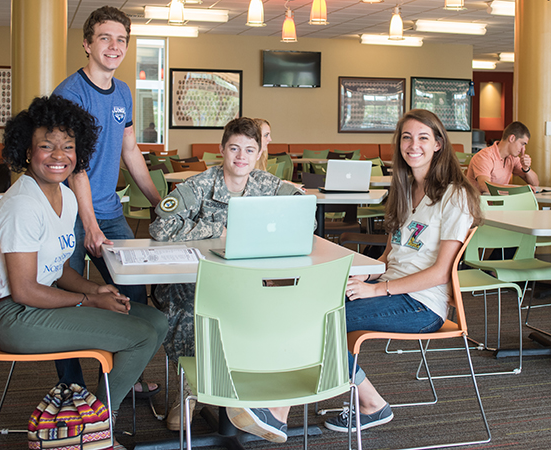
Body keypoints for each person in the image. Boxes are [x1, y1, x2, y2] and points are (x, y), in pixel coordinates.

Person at [0, 96, 168, 437]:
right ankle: (100, 425)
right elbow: (25, 289)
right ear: (27, 150)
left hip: (41, 303)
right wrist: (88, 301)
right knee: (140, 336)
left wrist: (94, 288)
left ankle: (95, 415)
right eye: (46, 146)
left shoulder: (65, 195)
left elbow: (59, 270)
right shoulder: (23, 205)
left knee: (156, 321)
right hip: (16, 317)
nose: (59, 156)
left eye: (68, 147)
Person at [324, 109, 483, 433]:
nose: (413, 145)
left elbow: (441, 272)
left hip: (422, 304)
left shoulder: (455, 195)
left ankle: (372, 405)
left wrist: (377, 289)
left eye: (423, 137)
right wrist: (364, 277)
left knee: (325, 320)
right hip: (390, 289)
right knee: (314, 303)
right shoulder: (405, 189)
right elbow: (388, 256)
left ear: (438, 144)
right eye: (407, 138)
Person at [149, 117, 303, 441]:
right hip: (194, 283)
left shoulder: (269, 185)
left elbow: (302, 220)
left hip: (245, 282)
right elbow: (160, 227)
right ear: (222, 149)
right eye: (234, 148)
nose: (241, 157)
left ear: (260, 152)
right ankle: (188, 391)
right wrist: (215, 230)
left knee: (280, 310)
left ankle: (248, 394)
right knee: (191, 314)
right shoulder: (200, 185)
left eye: (249, 149)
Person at [52, 6, 162, 397]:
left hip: (109, 209)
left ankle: (119, 379)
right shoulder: (70, 94)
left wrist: (157, 201)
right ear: (87, 43)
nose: (114, 47)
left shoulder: (123, 92)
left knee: (132, 293)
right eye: (105, 38)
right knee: (68, 300)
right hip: (68, 213)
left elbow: (130, 150)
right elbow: (74, 164)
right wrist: (90, 225)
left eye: (122, 40)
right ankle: (73, 389)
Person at [465, 121, 539, 194]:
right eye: (522, 144)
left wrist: (526, 169)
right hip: (479, 204)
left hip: (498, 203)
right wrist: (518, 189)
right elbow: (484, 186)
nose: (524, 149)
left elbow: (535, 183)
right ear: (512, 138)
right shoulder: (484, 156)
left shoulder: (513, 158)